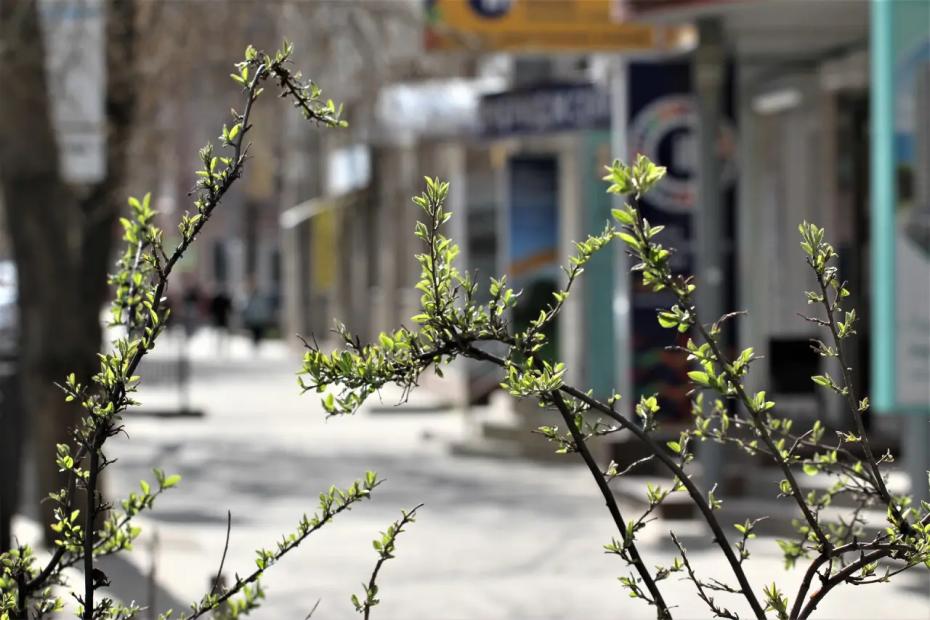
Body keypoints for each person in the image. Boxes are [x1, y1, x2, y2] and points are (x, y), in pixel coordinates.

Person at [209, 286, 233, 355]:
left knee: (222, 333)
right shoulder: (219, 299)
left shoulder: (220, 299)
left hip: (221, 318)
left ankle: (222, 347)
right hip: (221, 318)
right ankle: (220, 347)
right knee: (220, 333)